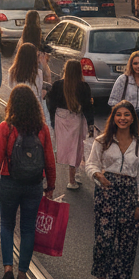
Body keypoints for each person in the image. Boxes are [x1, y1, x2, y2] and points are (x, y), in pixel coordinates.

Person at [0, 85, 56, 279]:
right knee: (27, 229)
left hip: (10, 181)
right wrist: (50, 185)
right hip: (34, 184)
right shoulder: (42, 129)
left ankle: (8, 268)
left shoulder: (6, 127)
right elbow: (50, 160)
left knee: (7, 225)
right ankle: (23, 273)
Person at [85, 101, 139, 279]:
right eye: (119, 114)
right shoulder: (102, 141)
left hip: (129, 195)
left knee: (127, 244)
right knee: (104, 239)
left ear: (132, 118)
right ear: (113, 118)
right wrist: (97, 175)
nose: (122, 118)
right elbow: (90, 164)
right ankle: (101, 277)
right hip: (106, 193)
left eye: (126, 115)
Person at [46, 59, 95, 189]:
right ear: (79, 71)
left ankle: (72, 177)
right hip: (75, 119)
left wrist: (52, 120)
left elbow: (51, 104)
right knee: (75, 149)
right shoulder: (84, 87)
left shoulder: (57, 85)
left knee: (64, 148)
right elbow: (88, 108)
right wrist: (91, 125)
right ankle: (72, 180)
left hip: (60, 118)